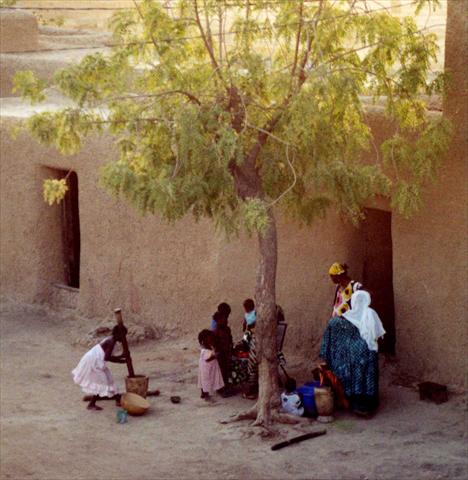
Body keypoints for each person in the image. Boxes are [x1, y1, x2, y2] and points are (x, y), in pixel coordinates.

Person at [320, 290, 385, 416]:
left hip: (352, 354)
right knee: (368, 376)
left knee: (355, 374)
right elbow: (377, 334)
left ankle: (355, 403)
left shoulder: (347, 316)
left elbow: (333, 324)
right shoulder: (371, 313)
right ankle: (368, 405)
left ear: (353, 301)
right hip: (369, 352)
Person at [72, 325, 127, 411]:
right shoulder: (111, 341)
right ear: (118, 335)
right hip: (93, 362)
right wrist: (121, 359)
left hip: (98, 362)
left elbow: (108, 356)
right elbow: (107, 357)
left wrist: (121, 357)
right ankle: (91, 404)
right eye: (123, 336)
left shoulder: (113, 340)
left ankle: (118, 399)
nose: (124, 338)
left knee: (109, 379)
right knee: (102, 382)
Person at [197, 329, 224, 401]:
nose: (211, 339)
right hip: (206, 367)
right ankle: (205, 393)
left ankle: (204, 392)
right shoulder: (204, 350)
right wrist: (215, 356)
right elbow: (207, 359)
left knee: (205, 379)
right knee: (206, 379)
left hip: (209, 366)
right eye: (209, 338)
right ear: (204, 339)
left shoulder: (209, 347)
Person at [212, 311, 234, 396]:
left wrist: (231, 347)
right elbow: (215, 344)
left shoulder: (227, 329)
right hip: (221, 355)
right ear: (217, 321)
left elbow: (230, 340)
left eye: (226, 319)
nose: (226, 320)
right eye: (223, 319)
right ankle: (221, 389)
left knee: (227, 371)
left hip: (227, 353)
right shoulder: (216, 332)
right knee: (221, 372)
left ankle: (226, 387)